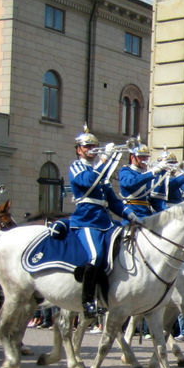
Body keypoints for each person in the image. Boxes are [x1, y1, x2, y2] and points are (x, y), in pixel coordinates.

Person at [67, 126, 134, 318]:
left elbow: (113, 201)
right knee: (96, 256)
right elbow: (88, 181)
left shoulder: (102, 173)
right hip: (86, 220)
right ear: (79, 149)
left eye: (94, 146)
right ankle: (87, 300)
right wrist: (105, 158)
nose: (91, 149)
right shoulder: (77, 166)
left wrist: (131, 215)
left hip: (105, 220)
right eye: (87, 146)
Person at [119, 142, 157, 220]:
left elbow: (152, 199)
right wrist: (152, 172)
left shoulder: (146, 174)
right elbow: (131, 183)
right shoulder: (126, 170)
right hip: (133, 213)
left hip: (147, 214)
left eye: (146, 157)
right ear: (133, 157)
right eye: (142, 157)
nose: (145, 160)